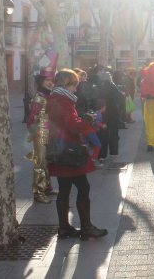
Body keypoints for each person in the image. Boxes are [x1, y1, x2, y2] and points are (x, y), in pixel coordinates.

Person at [47, 69, 107, 240]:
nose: (76, 89)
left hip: (59, 149)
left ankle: (64, 227)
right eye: (74, 85)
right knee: (83, 187)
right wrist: (88, 121)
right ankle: (86, 227)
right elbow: (71, 125)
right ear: (67, 83)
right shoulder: (63, 100)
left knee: (64, 189)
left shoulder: (53, 98)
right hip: (69, 150)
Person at [26, 67, 55, 204]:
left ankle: (47, 187)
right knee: (40, 162)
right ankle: (38, 192)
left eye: (51, 80)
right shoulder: (39, 97)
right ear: (41, 82)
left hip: (46, 130)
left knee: (46, 160)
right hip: (40, 131)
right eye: (47, 80)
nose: (50, 82)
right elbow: (32, 118)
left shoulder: (46, 95)